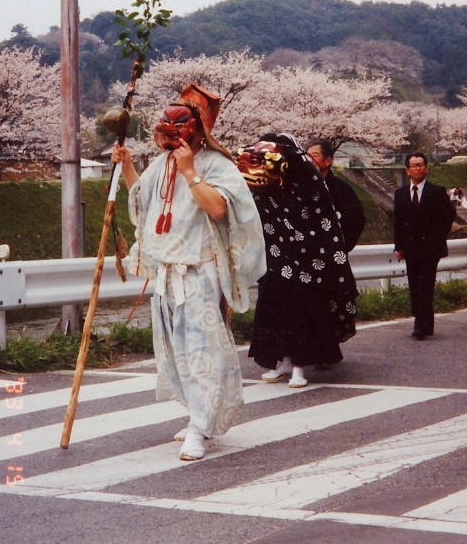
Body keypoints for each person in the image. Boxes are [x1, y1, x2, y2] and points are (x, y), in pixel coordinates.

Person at [112, 83, 266, 460]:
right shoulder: (163, 163)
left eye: (179, 127)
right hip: (168, 271)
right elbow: (143, 199)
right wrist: (127, 165)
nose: (171, 136)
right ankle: (197, 414)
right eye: (166, 128)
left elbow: (218, 208)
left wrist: (191, 172)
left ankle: (201, 424)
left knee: (202, 348)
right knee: (176, 347)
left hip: (200, 269)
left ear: (198, 130)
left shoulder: (216, 164)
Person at [236, 133, 358, 387]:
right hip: (277, 258)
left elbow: (325, 222)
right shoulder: (265, 191)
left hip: (309, 261)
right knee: (274, 307)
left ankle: (300, 366)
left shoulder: (308, 183)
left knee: (302, 311)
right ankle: (283, 360)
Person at [394, 151, 456, 340]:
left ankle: (419, 326)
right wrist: (399, 246)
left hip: (430, 248)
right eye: (414, 165)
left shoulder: (436, 191)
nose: (418, 168)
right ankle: (426, 323)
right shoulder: (400, 193)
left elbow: (449, 215)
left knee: (425, 285)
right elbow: (397, 221)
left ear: (426, 168)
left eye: (421, 165)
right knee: (415, 286)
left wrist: (437, 235)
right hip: (411, 248)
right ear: (407, 170)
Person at [306, 139, 366, 252]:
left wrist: (341, 246)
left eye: (314, 156)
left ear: (328, 160)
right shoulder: (301, 187)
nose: (310, 160)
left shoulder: (342, 189)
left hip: (332, 255)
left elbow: (357, 220)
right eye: (307, 156)